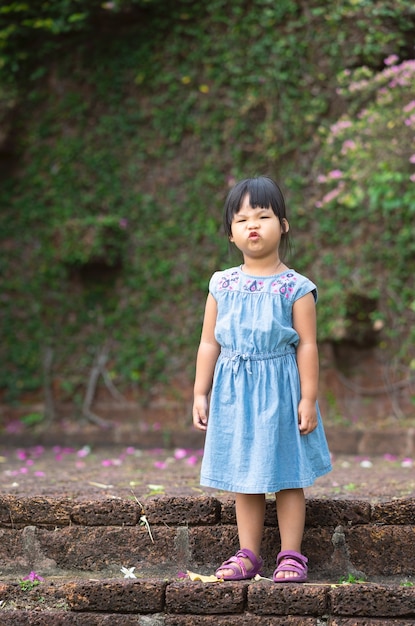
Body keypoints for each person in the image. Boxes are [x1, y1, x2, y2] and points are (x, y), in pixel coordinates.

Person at [192, 176, 332, 583]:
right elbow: (207, 343)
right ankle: (248, 554)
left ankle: (291, 555)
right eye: (242, 219)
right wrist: (201, 391)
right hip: (235, 392)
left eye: (263, 215)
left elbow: (307, 346)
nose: (253, 225)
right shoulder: (221, 284)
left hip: (282, 390)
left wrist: (308, 398)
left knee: (288, 474)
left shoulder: (296, 288)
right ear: (232, 234)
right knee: (244, 476)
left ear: (283, 225)